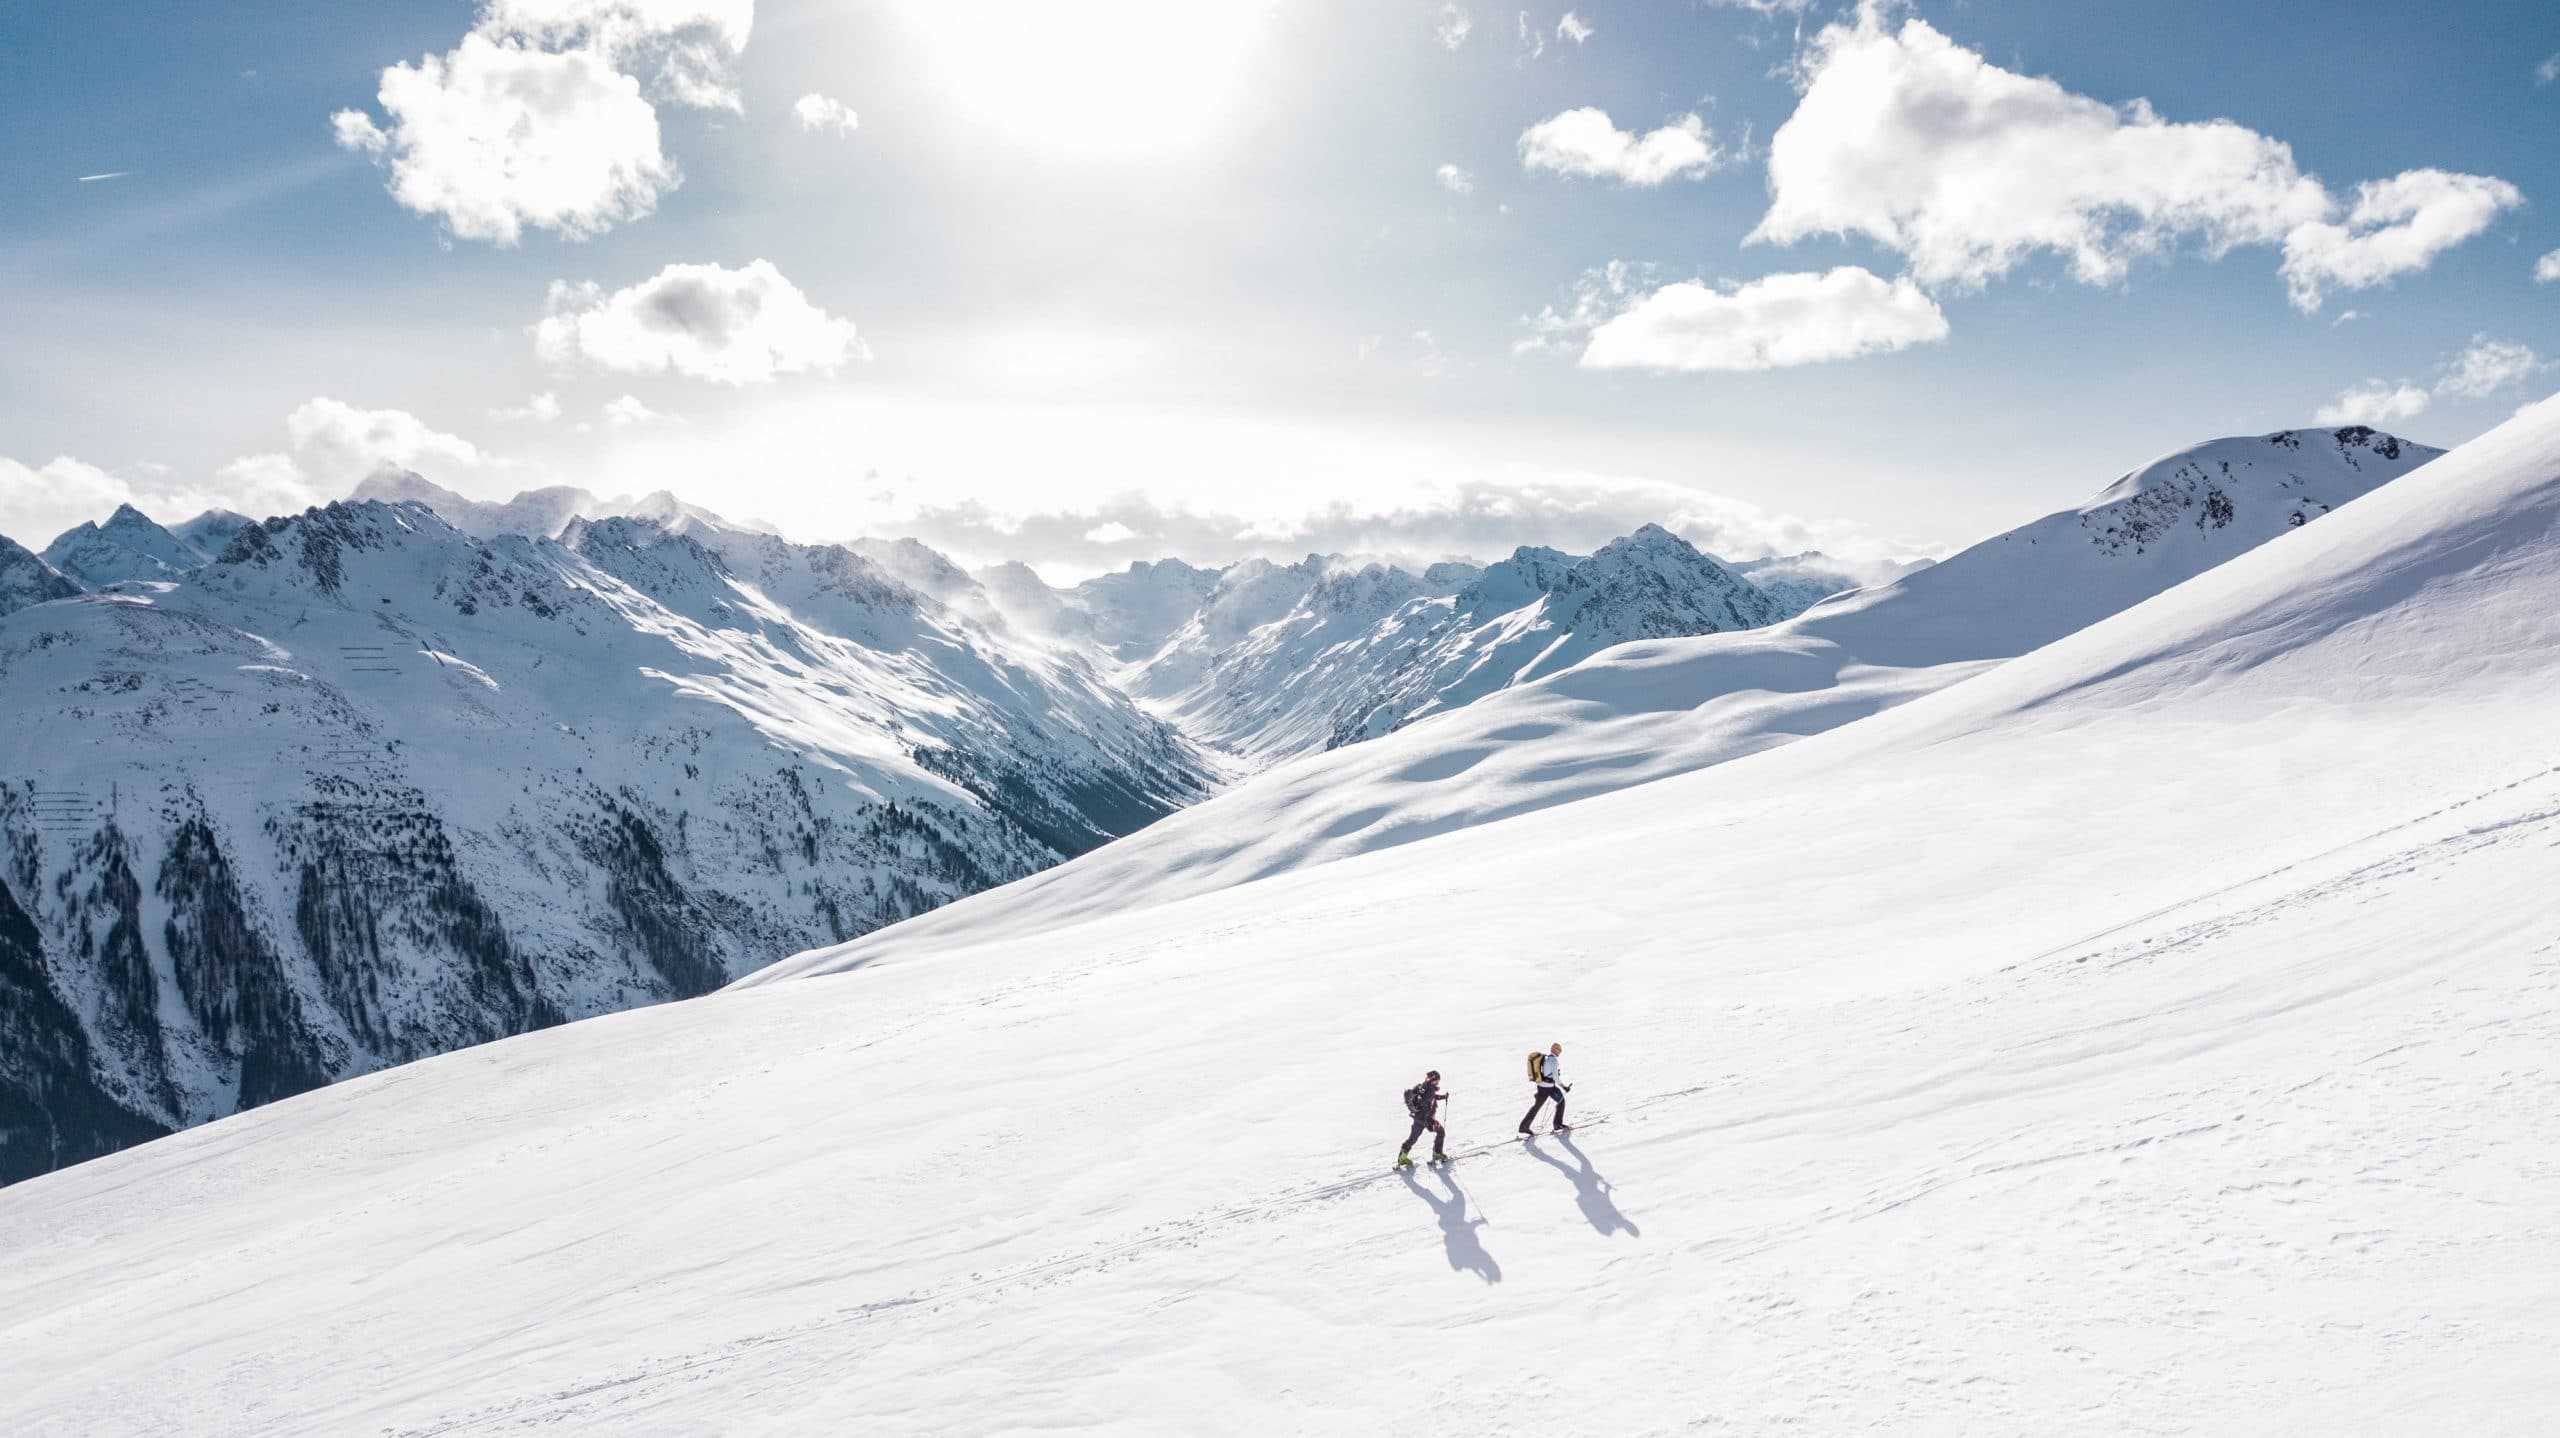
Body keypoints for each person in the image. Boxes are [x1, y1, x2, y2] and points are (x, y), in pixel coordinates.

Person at [1397, 1070, 1450, 1167]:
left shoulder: (1422, 1086)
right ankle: (1437, 1153)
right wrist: (1429, 1119)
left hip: (1417, 1117)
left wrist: (1443, 1097)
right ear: (1434, 1080)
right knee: (1441, 1132)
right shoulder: (1430, 1089)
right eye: (1438, 1080)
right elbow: (1427, 1100)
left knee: (1412, 1138)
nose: (1438, 1082)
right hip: (1426, 1119)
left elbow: (1430, 1098)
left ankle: (1402, 1158)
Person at [1520, 1041, 1570, 1134]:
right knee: (1560, 1101)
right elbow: (1555, 1077)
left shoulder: (1546, 1057)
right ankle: (1557, 1124)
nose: (1560, 1052)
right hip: (1548, 1088)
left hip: (1542, 1086)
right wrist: (1564, 1087)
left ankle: (1524, 1126)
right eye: (1559, 1050)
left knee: (1538, 1106)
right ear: (1556, 1050)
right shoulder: (1553, 1061)